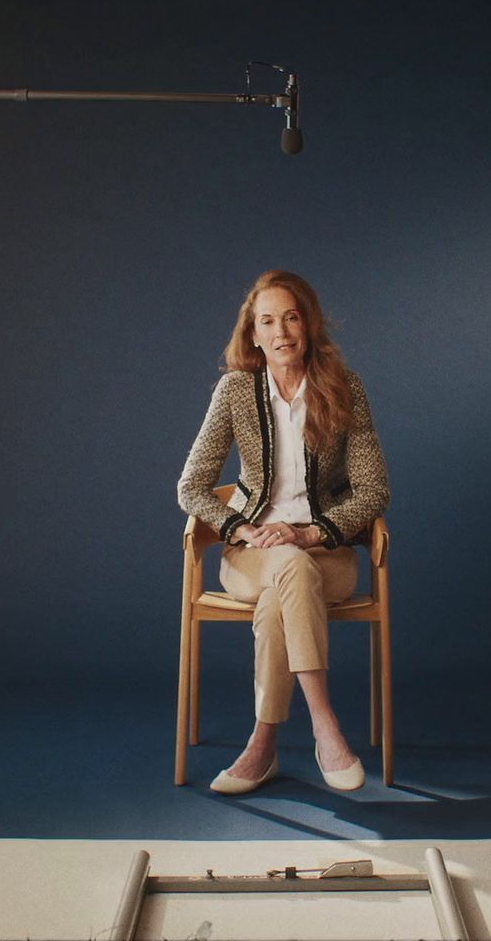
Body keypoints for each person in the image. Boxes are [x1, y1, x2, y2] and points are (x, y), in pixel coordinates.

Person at [177, 270, 390, 795]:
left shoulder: (345, 389)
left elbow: (373, 491)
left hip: (326, 557)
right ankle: (325, 726)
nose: (281, 332)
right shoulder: (235, 392)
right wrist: (246, 531)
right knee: (283, 571)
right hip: (251, 558)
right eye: (267, 321)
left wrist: (309, 534)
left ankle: (264, 742)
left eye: (291, 318)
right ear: (252, 334)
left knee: (288, 580)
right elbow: (191, 487)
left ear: (308, 325)